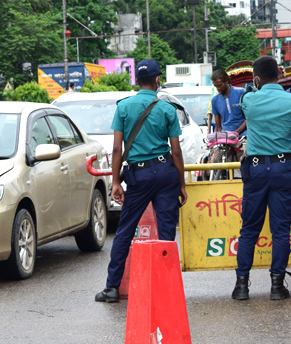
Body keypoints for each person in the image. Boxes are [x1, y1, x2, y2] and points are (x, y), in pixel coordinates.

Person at [95, 59, 188, 303]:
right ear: (158, 80)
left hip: (139, 175)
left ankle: (112, 288)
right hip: (166, 172)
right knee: (167, 231)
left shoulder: (124, 107)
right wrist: (181, 182)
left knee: (125, 231)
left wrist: (115, 182)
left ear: (137, 80)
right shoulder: (167, 109)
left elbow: (117, 148)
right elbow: (176, 151)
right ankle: (167, 287)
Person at [232, 56, 291, 301]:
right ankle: (277, 286)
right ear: (279, 75)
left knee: (249, 230)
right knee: (280, 231)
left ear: (256, 79)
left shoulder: (249, 100)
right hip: (283, 169)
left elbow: (245, 97)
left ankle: (242, 287)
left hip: (255, 170)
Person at [210, 69, 247, 137]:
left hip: (244, 135)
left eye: (220, 85)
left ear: (226, 81)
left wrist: (236, 133)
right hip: (226, 136)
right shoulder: (215, 100)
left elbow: (249, 118)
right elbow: (218, 127)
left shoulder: (241, 92)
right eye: (216, 86)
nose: (218, 88)